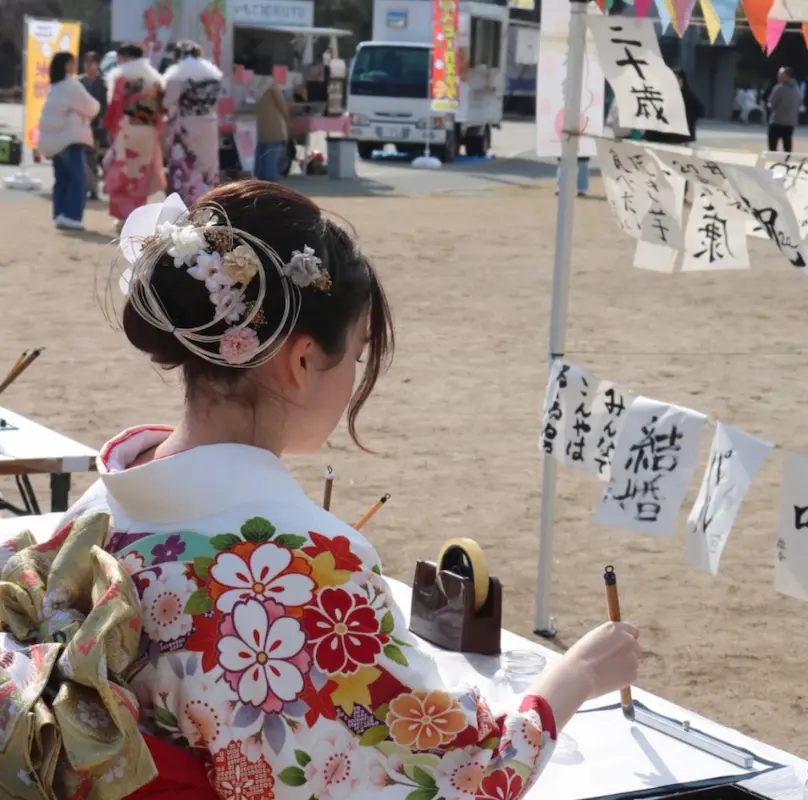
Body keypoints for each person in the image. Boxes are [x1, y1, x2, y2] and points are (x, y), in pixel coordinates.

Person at [16, 180, 640, 796]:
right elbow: (457, 775)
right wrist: (576, 677)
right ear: (305, 359)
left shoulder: (104, 502)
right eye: (359, 353)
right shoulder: (301, 571)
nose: (355, 376)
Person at [103, 43, 166, 229]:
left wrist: (110, 130)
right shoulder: (154, 80)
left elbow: (115, 107)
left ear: (125, 57)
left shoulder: (123, 78)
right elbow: (160, 110)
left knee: (124, 171)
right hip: (148, 131)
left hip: (128, 129)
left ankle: (123, 217)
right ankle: (137, 216)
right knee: (141, 174)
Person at [38, 51, 100, 231]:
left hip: (54, 139)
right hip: (70, 138)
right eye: (73, 62)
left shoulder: (55, 86)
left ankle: (60, 214)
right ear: (67, 65)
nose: (76, 65)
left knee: (62, 178)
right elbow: (92, 107)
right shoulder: (71, 85)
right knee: (78, 178)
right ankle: (72, 216)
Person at [163, 40, 223, 206]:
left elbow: (169, 104)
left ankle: (184, 205)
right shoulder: (213, 75)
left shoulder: (177, 76)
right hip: (209, 125)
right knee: (207, 166)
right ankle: (207, 202)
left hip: (187, 126)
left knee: (186, 166)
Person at [644, 69, 704, 145]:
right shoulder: (662, 94)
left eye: (678, 79)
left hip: (680, 137)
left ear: (682, 81)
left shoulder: (688, 96)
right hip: (660, 135)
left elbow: (699, 111)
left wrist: (686, 119)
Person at [254, 59, 290, 181]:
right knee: (273, 152)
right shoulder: (271, 84)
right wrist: (287, 115)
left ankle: (261, 175)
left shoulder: (252, 83)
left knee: (261, 151)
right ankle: (272, 176)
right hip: (274, 124)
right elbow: (281, 104)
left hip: (259, 123)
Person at [79, 50, 108, 200]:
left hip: (98, 127)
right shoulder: (79, 82)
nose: (89, 65)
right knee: (83, 159)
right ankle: (87, 187)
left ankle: (94, 188)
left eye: (92, 62)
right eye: (86, 62)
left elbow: (105, 106)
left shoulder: (103, 84)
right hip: (81, 125)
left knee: (97, 160)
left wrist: (102, 124)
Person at [768, 66, 801, 153]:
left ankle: (773, 161)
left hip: (777, 121)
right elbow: (799, 103)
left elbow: (772, 104)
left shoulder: (779, 88)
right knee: (787, 143)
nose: (778, 75)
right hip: (791, 122)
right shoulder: (796, 89)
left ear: (786, 75)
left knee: (773, 144)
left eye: (780, 74)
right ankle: (787, 160)